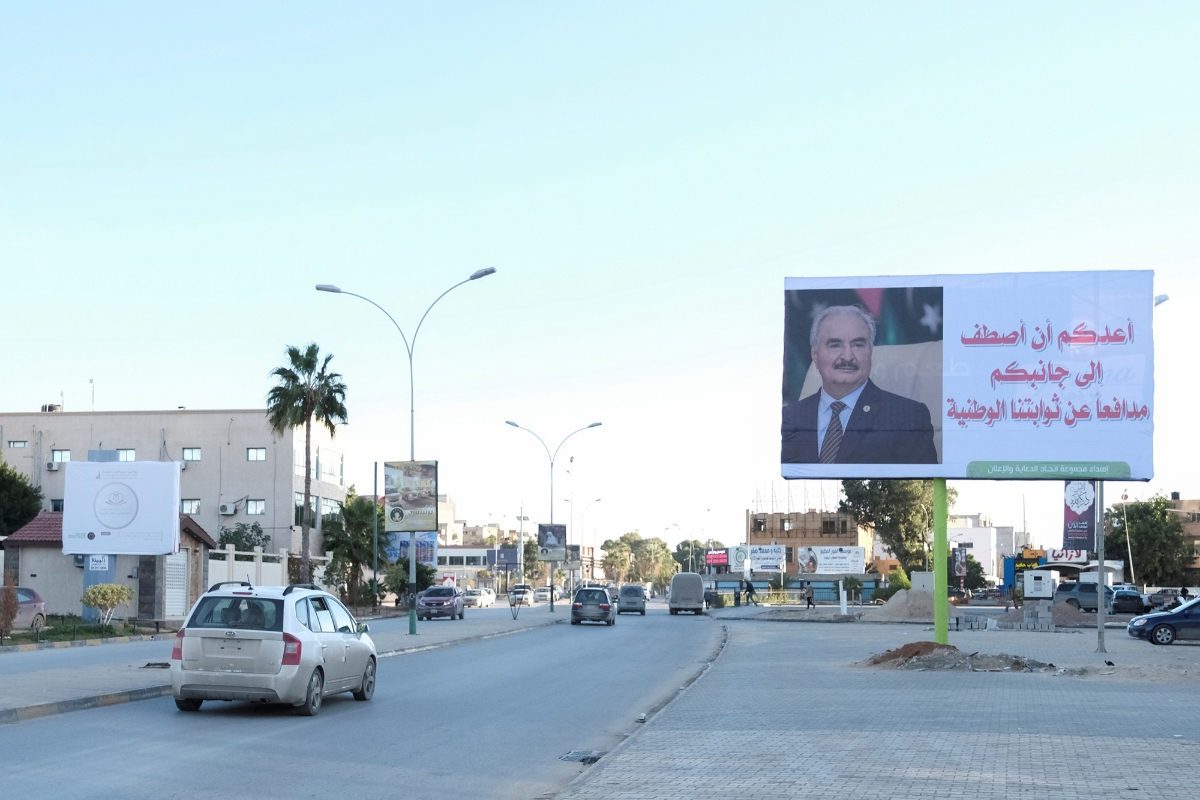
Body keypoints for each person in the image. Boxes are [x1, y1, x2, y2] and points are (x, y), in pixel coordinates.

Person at [781, 305, 938, 464]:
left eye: (858, 345)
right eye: (835, 345)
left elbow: (922, 485)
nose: (848, 357)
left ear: (870, 351)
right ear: (815, 355)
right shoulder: (788, 418)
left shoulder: (908, 418)